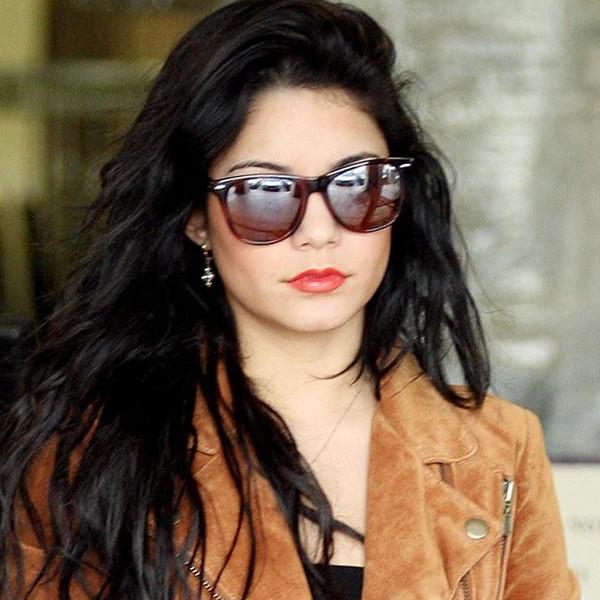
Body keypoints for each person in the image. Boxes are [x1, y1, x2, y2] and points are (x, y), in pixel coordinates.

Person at [0, 1, 579, 599]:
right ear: (196, 219)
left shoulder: (500, 449)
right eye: (264, 193)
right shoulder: (94, 453)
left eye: (358, 184)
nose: (318, 231)